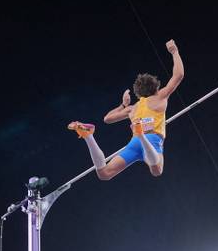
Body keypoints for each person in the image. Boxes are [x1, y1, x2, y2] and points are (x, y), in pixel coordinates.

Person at [68, 39, 184, 180]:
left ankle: (88, 136)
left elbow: (107, 119)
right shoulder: (159, 97)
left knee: (104, 174)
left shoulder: (132, 109)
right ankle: (141, 134)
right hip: (151, 139)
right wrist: (174, 51)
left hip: (134, 143)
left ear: (139, 93)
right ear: (156, 88)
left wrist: (123, 105)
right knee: (157, 170)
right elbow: (178, 75)